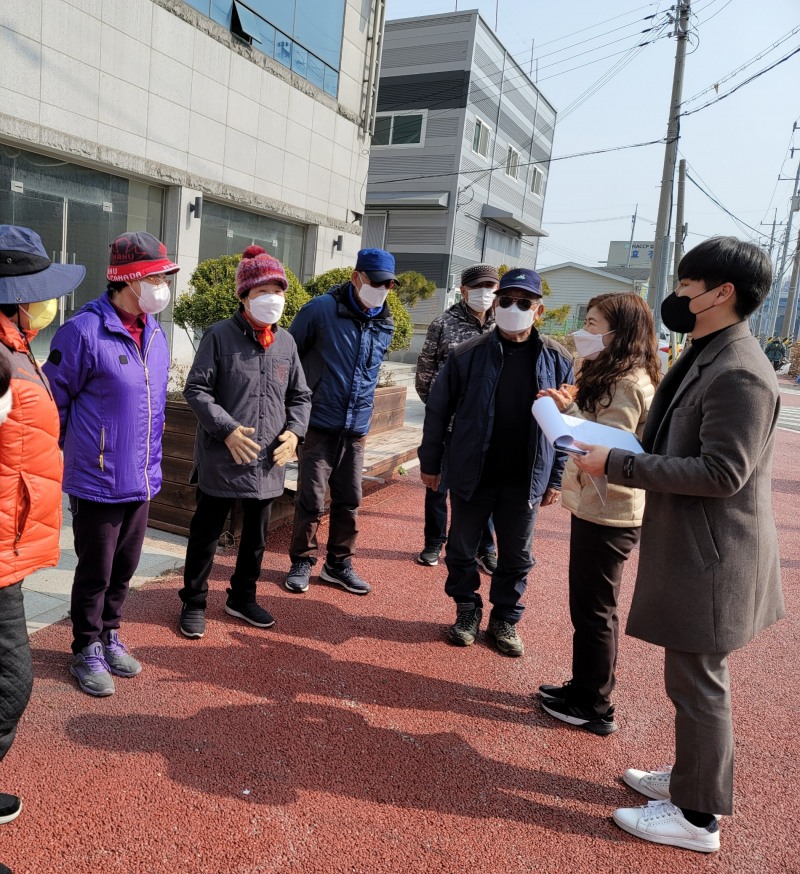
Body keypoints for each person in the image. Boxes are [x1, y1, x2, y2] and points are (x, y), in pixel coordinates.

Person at [573, 238, 783, 853]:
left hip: (713, 555)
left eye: (688, 285)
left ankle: (697, 817)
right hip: (699, 547)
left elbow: (723, 473)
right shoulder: (710, 351)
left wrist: (618, 464)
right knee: (689, 680)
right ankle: (690, 777)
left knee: (698, 683)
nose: (677, 294)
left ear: (722, 293)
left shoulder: (739, 369)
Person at [44, 232, 177, 697]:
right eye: (156, 278)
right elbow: (52, 405)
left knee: (125, 566)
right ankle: (85, 646)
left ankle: (109, 633)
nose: (163, 287)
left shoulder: (155, 333)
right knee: (95, 570)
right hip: (97, 479)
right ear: (130, 279)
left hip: (141, 477)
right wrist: (77, 456)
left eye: (165, 278)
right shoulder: (83, 331)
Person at [418, 268, 574, 657]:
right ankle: (467, 609)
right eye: (505, 300)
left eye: (524, 302)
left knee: (517, 557)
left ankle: (505, 618)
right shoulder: (466, 354)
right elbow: (437, 411)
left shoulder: (558, 358)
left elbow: (565, 426)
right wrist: (431, 463)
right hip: (473, 471)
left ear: (539, 310)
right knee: (461, 549)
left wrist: (556, 478)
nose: (512, 308)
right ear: (496, 304)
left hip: (525, 476)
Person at [535, 292, 661, 735]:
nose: (583, 332)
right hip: (599, 505)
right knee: (590, 606)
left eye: (592, 324)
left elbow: (609, 448)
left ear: (617, 332)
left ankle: (594, 705)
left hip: (611, 510)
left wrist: (565, 412)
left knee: (594, 610)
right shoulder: (613, 371)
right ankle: (584, 687)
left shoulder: (626, 382)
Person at [0, 225, 85, 860]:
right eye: (40, 290)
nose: (48, 302)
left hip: (10, 538)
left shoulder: (17, 345)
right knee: (11, 684)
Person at [178, 247, 311, 638]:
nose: (273, 298)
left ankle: (242, 597)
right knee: (206, 534)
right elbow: (196, 389)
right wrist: (227, 429)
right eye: (262, 291)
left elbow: (300, 395)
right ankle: (194, 601)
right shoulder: (219, 335)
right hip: (222, 455)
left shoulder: (286, 343)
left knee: (256, 538)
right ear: (244, 296)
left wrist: (295, 432)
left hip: (268, 459)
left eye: (278, 291)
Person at [283, 248, 395, 596]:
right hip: (318, 421)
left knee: (350, 499)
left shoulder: (385, 321)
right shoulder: (320, 310)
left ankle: (338, 564)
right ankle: (302, 560)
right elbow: (289, 356)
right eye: (376, 281)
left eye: (388, 284)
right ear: (356, 278)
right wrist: (293, 410)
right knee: (312, 498)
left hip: (356, 427)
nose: (382, 289)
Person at [414, 264, 498, 569]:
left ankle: (485, 547)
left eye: (490, 287)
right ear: (463, 290)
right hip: (449, 424)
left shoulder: (503, 325)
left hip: (487, 427)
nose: (484, 293)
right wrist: (441, 409)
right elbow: (425, 374)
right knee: (437, 486)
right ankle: (434, 542)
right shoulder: (443, 323)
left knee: (484, 489)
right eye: (477, 287)